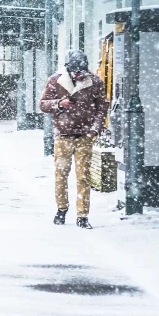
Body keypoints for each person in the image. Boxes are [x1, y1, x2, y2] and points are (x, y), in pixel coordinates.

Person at [40, 51, 108, 229]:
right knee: (61, 175)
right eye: (75, 71)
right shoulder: (56, 80)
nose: (78, 75)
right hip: (63, 135)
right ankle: (61, 209)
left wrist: (94, 130)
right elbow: (43, 104)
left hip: (84, 136)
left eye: (81, 71)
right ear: (68, 69)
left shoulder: (95, 82)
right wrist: (59, 104)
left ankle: (82, 215)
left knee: (83, 176)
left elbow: (102, 107)